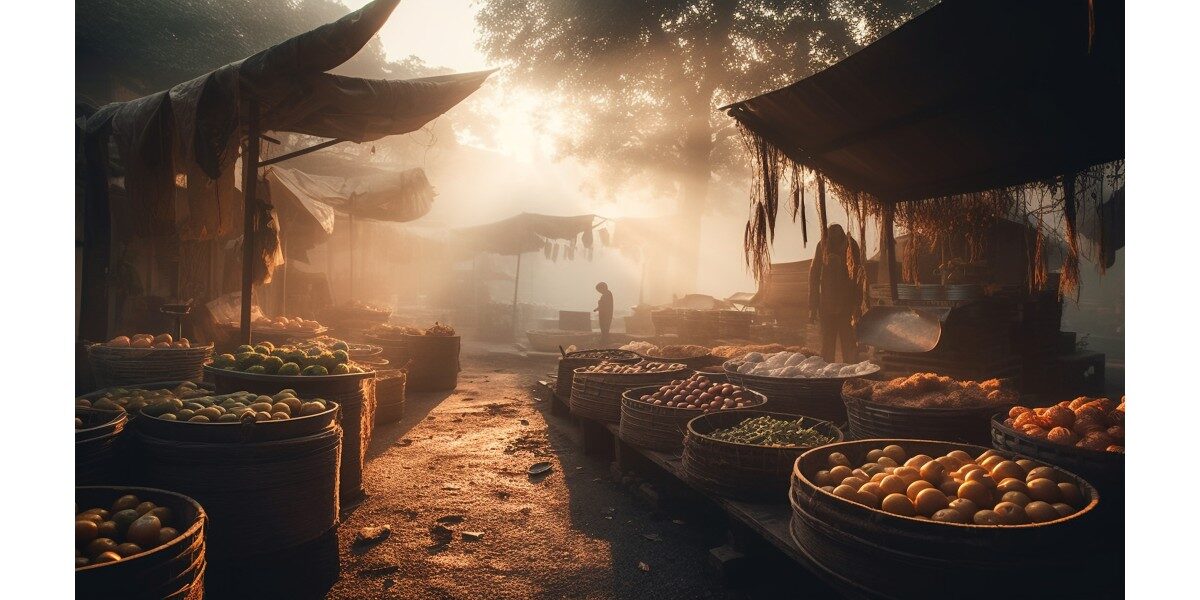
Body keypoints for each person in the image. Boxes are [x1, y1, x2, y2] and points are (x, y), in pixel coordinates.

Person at [809, 224, 863, 362]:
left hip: (846, 304)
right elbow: (814, 276)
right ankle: (829, 376)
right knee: (828, 344)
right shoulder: (823, 246)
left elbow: (858, 275)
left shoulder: (851, 246)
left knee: (847, 343)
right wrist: (813, 307)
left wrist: (857, 304)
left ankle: (851, 375)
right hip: (828, 304)